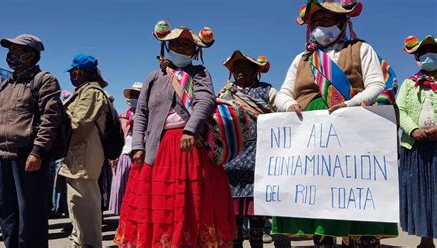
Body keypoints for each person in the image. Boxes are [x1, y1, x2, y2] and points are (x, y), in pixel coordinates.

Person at [273, 1, 398, 247]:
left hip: (353, 127)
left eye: (326, 20)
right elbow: (283, 93)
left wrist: (351, 104)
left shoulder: (361, 49)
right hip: (313, 136)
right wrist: (289, 105)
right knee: (322, 194)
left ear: (342, 23)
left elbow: (376, 85)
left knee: (354, 191)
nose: (319, 26)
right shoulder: (302, 58)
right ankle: (324, 239)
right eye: (315, 22)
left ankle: (360, 237)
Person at [114, 20, 236, 247]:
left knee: (189, 201)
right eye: (177, 44)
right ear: (166, 46)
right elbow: (141, 113)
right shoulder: (153, 77)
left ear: (196, 51)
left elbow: (205, 100)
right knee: (160, 202)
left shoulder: (199, 73)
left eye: (188, 46)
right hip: (157, 148)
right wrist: (138, 145)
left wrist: (191, 129)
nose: (182, 49)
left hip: (188, 146)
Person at [0, 34, 63, 248]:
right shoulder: (6, 86)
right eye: (10, 50)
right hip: (3, 157)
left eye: (17, 50)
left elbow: (50, 118)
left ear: (31, 55)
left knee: (30, 214)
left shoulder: (44, 80)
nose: (11, 55)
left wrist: (37, 151)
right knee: (6, 212)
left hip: (28, 157)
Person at [218, 50, 280, 248]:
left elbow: (282, 107)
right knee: (233, 212)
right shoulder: (226, 93)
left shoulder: (267, 91)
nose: (240, 71)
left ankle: (257, 243)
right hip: (232, 159)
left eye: (245, 67)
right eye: (236, 68)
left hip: (259, 157)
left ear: (256, 71)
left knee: (256, 212)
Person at [58, 53, 109, 248]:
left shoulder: (92, 93)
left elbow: (79, 125)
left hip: (84, 156)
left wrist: (58, 138)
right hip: (77, 155)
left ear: (80, 72)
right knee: (77, 205)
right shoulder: (83, 91)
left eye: (73, 72)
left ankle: (88, 244)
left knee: (85, 207)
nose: (72, 76)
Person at [397, 34, 437, 248]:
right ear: (417, 58)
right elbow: (400, 109)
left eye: (433, 52)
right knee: (420, 194)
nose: (429, 56)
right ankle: (426, 241)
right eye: (423, 53)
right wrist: (412, 130)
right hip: (414, 147)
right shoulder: (408, 84)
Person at [108, 82, 142, 215]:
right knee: (122, 187)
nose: (134, 97)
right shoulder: (123, 115)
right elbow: (118, 137)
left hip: (140, 154)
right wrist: (115, 155)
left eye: (137, 94)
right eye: (133, 94)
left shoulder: (149, 114)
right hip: (124, 154)